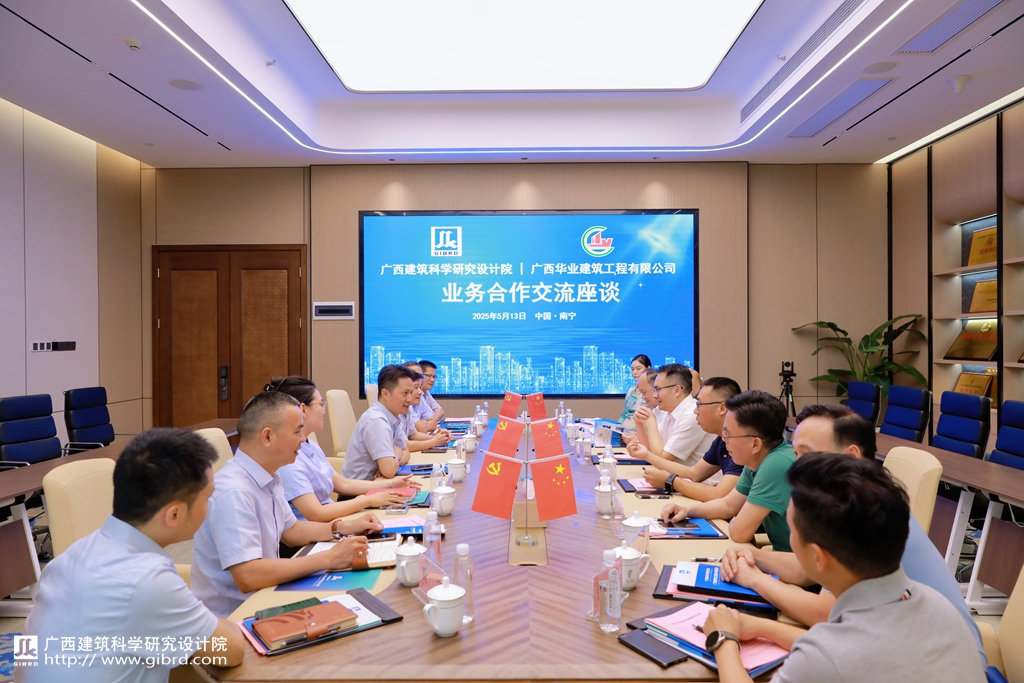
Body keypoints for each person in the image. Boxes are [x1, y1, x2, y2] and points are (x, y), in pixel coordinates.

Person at [719, 403, 988, 666]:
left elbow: (824, 613)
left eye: (807, 455)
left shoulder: (864, 516)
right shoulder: (862, 503)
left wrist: (755, 580)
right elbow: (810, 569)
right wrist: (755, 557)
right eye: (796, 454)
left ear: (851, 455)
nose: (795, 467)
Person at [20, 429, 244, 683]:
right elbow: (232, 651)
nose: (211, 505)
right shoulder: (148, 580)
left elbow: (27, 656)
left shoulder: (69, 558)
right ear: (174, 515)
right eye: (207, 498)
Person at [192, 391, 382, 618]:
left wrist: (344, 527)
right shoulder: (234, 491)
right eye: (296, 432)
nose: (302, 439)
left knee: (359, 605)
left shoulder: (270, 475)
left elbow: (291, 531)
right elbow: (248, 575)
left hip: (268, 597)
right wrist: (330, 558)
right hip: (236, 618)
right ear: (267, 437)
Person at [269, 376, 419, 524]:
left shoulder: (311, 445)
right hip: (318, 530)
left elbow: (343, 484)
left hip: (334, 520)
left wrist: (391, 485)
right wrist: (367, 500)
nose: (324, 411)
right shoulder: (289, 459)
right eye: (321, 404)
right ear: (303, 409)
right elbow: (317, 514)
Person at [660, 390, 795, 551]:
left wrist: (736, 521)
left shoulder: (776, 464)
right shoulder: (758, 459)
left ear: (755, 444)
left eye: (728, 435)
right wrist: (687, 510)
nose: (724, 441)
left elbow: (739, 533)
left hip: (799, 562)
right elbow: (728, 505)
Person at [641, 377, 744, 501]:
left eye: (699, 405)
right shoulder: (721, 439)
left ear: (721, 409)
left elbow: (718, 495)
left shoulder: (742, 442)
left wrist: (670, 480)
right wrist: (647, 455)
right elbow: (695, 473)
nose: (695, 411)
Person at [341, 364, 416, 480]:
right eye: (405, 393)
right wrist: (395, 457)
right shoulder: (376, 421)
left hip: (376, 483)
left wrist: (393, 462)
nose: (410, 399)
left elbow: (406, 453)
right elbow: (389, 470)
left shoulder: (393, 417)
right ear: (385, 394)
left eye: (411, 392)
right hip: (359, 488)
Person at [631, 363, 714, 467]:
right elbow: (649, 450)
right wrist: (639, 424)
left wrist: (651, 423)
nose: (655, 395)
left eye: (658, 389)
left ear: (677, 390)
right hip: (676, 476)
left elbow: (662, 460)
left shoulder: (692, 414)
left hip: (699, 478)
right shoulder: (669, 412)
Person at [400, 362, 451, 448]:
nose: (420, 392)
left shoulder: (408, 406)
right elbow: (403, 445)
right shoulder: (391, 412)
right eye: (416, 387)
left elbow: (413, 434)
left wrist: (438, 438)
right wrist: (434, 441)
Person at [619, 353, 651, 424]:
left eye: (638, 369)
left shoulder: (652, 391)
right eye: (632, 369)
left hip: (642, 427)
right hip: (625, 427)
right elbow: (624, 414)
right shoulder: (631, 390)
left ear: (648, 369)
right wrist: (617, 427)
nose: (634, 372)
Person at [417, 359, 445, 424]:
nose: (432, 380)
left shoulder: (426, 393)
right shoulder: (416, 395)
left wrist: (432, 420)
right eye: (429, 376)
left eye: (434, 377)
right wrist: (431, 420)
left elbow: (440, 411)